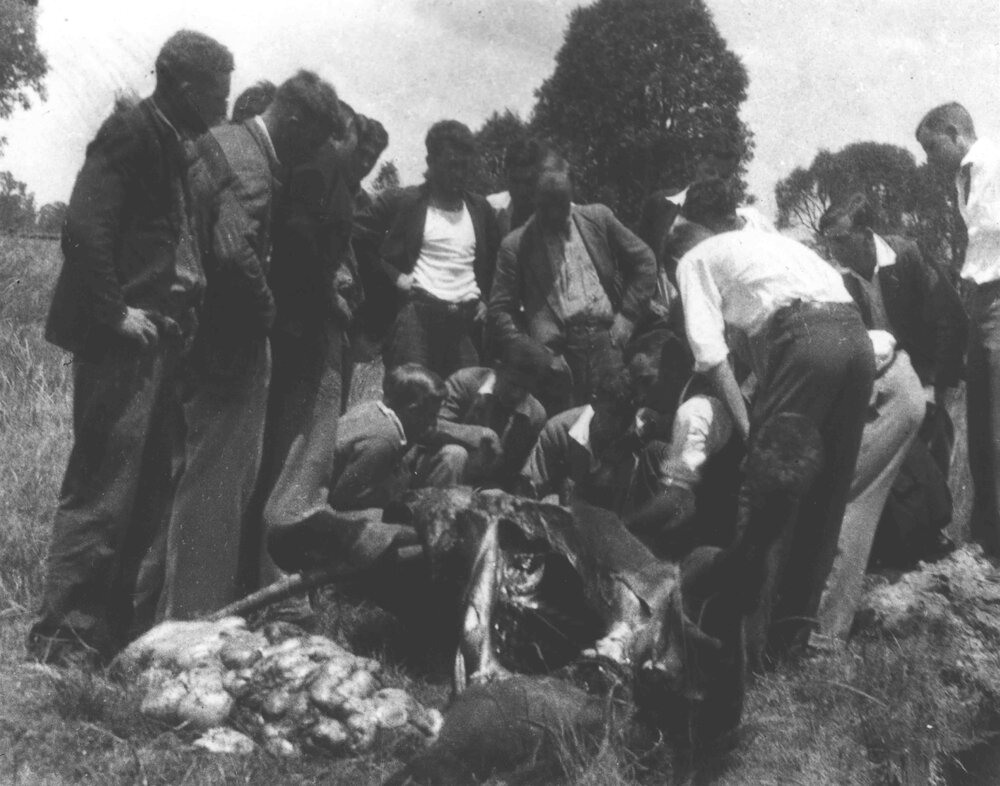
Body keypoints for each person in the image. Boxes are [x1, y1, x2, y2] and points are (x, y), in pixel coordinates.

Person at [28, 30, 234, 666]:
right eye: (217, 90)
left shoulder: (178, 145)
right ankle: (63, 639)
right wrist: (115, 314)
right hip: (124, 347)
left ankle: (107, 636)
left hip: (160, 345)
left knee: (143, 495)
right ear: (184, 85)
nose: (225, 104)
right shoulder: (131, 133)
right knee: (102, 491)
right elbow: (84, 228)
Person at [153, 70, 342, 621]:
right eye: (309, 140)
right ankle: (193, 624)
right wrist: (267, 311)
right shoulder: (254, 164)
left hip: (192, 337)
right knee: (214, 493)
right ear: (294, 118)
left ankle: (159, 618)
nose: (307, 154)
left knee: (183, 486)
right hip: (229, 346)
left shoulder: (220, 140)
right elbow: (234, 252)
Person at [675, 179, 875, 662]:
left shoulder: (696, 258)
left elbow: (711, 356)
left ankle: (742, 652)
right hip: (856, 341)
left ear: (696, 226)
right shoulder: (772, 242)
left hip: (805, 339)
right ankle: (791, 643)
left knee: (763, 494)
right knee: (824, 494)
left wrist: (750, 434)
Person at [812, 195, 935, 642]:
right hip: (884, 372)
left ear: (865, 235)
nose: (834, 249)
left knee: (930, 459)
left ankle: (929, 538)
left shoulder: (908, 255)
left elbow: (940, 317)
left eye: (840, 240)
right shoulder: (840, 279)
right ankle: (894, 550)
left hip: (921, 370)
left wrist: (936, 383)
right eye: (828, 242)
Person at [488, 157, 657, 413]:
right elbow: (500, 310)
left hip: (607, 343)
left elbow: (645, 261)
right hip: (558, 355)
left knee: (613, 421)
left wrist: (628, 317)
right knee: (562, 428)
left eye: (562, 203)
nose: (555, 213)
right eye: (547, 204)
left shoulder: (598, 219)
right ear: (533, 197)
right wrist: (537, 356)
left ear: (573, 193)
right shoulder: (515, 245)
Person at [353, 120, 500, 378]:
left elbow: (496, 265)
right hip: (417, 318)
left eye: (464, 166)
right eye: (451, 165)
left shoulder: (480, 209)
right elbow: (356, 236)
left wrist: (486, 301)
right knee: (412, 398)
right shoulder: (404, 202)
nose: (459, 174)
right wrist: (394, 276)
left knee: (468, 400)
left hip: (464, 323)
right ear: (431, 162)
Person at [267, 363, 446, 573]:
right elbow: (342, 499)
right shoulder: (384, 441)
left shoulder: (372, 410)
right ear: (412, 411)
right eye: (431, 416)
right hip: (314, 518)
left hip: (308, 507)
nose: (433, 425)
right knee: (411, 539)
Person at [917, 102, 1000, 554]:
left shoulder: (992, 164)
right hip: (981, 297)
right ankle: (987, 532)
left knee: (997, 421)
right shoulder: (962, 176)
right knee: (983, 421)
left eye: (932, 147)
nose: (930, 158)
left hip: (997, 294)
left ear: (953, 132)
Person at [518, 365, 671, 520]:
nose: (618, 426)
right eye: (611, 415)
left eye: (626, 418)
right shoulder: (558, 431)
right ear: (594, 402)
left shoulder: (643, 441)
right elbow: (530, 493)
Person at [428, 338, 549, 490]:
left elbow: (517, 473)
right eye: (512, 384)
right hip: (439, 471)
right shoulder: (465, 382)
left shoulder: (535, 415)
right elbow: (428, 427)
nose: (516, 395)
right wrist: (477, 434)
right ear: (497, 368)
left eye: (526, 389)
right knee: (454, 455)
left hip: (483, 485)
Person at [486, 137, 551, 239]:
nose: (521, 190)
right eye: (515, 181)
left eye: (528, 182)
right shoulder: (492, 208)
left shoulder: (565, 213)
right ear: (505, 177)